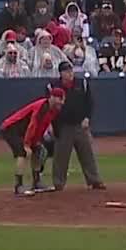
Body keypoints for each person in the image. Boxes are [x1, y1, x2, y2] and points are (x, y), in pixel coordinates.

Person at [0, 86, 65, 197]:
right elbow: (33, 125)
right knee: (24, 153)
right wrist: (26, 144)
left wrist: (36, 142)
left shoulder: (53, 110)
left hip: (24, 131)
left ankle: (37, 182)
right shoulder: (42, 107)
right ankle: (18, 186)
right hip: (11, 128)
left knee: (39, 151)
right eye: (60, 99)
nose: (62, 102)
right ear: (52, 97)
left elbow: (42, 126)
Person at [48, 62, 103, 191]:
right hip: (63, 126)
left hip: (80, 125)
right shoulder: (53, 86)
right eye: (66, 71)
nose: (70, 73)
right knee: (61, 157)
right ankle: (58, 183)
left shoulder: (82, 83)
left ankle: (94, 180)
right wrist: (51, 124)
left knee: (87, 154)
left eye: (71, 71)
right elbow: (49, 106)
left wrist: (87, 118)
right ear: (61, 73)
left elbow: (89, 102)